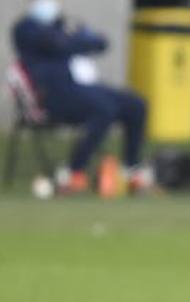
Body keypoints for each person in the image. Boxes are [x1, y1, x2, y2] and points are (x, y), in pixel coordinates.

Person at [11, 0, 151, 194]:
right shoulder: (25, 29)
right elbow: (57, 44)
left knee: (136, 105)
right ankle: (75, 172)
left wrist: (75, 39)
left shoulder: (59, 26)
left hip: (79, 87)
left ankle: (131, 171)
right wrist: (78, 39)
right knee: (103, 109)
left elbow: (101, 43)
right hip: (53, 95)